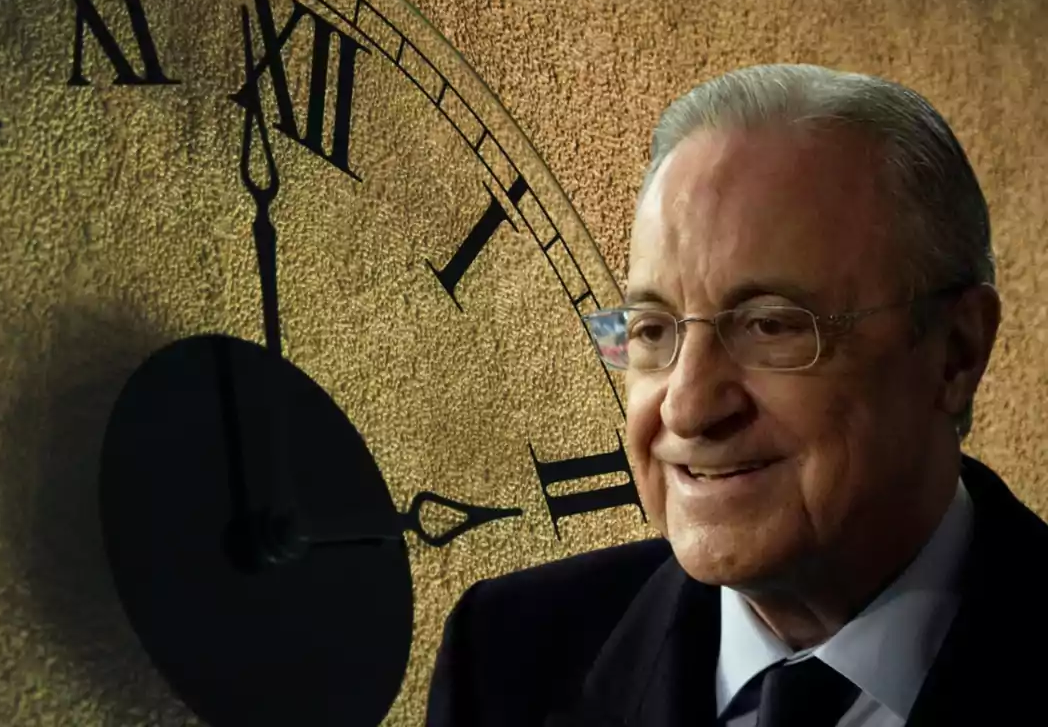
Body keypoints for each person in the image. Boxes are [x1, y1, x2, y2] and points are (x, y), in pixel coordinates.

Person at [425, 64, 1048, 727]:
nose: (688, 409)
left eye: (770, 325)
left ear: (955, 353)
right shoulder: (505, 660)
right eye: (651, 330)